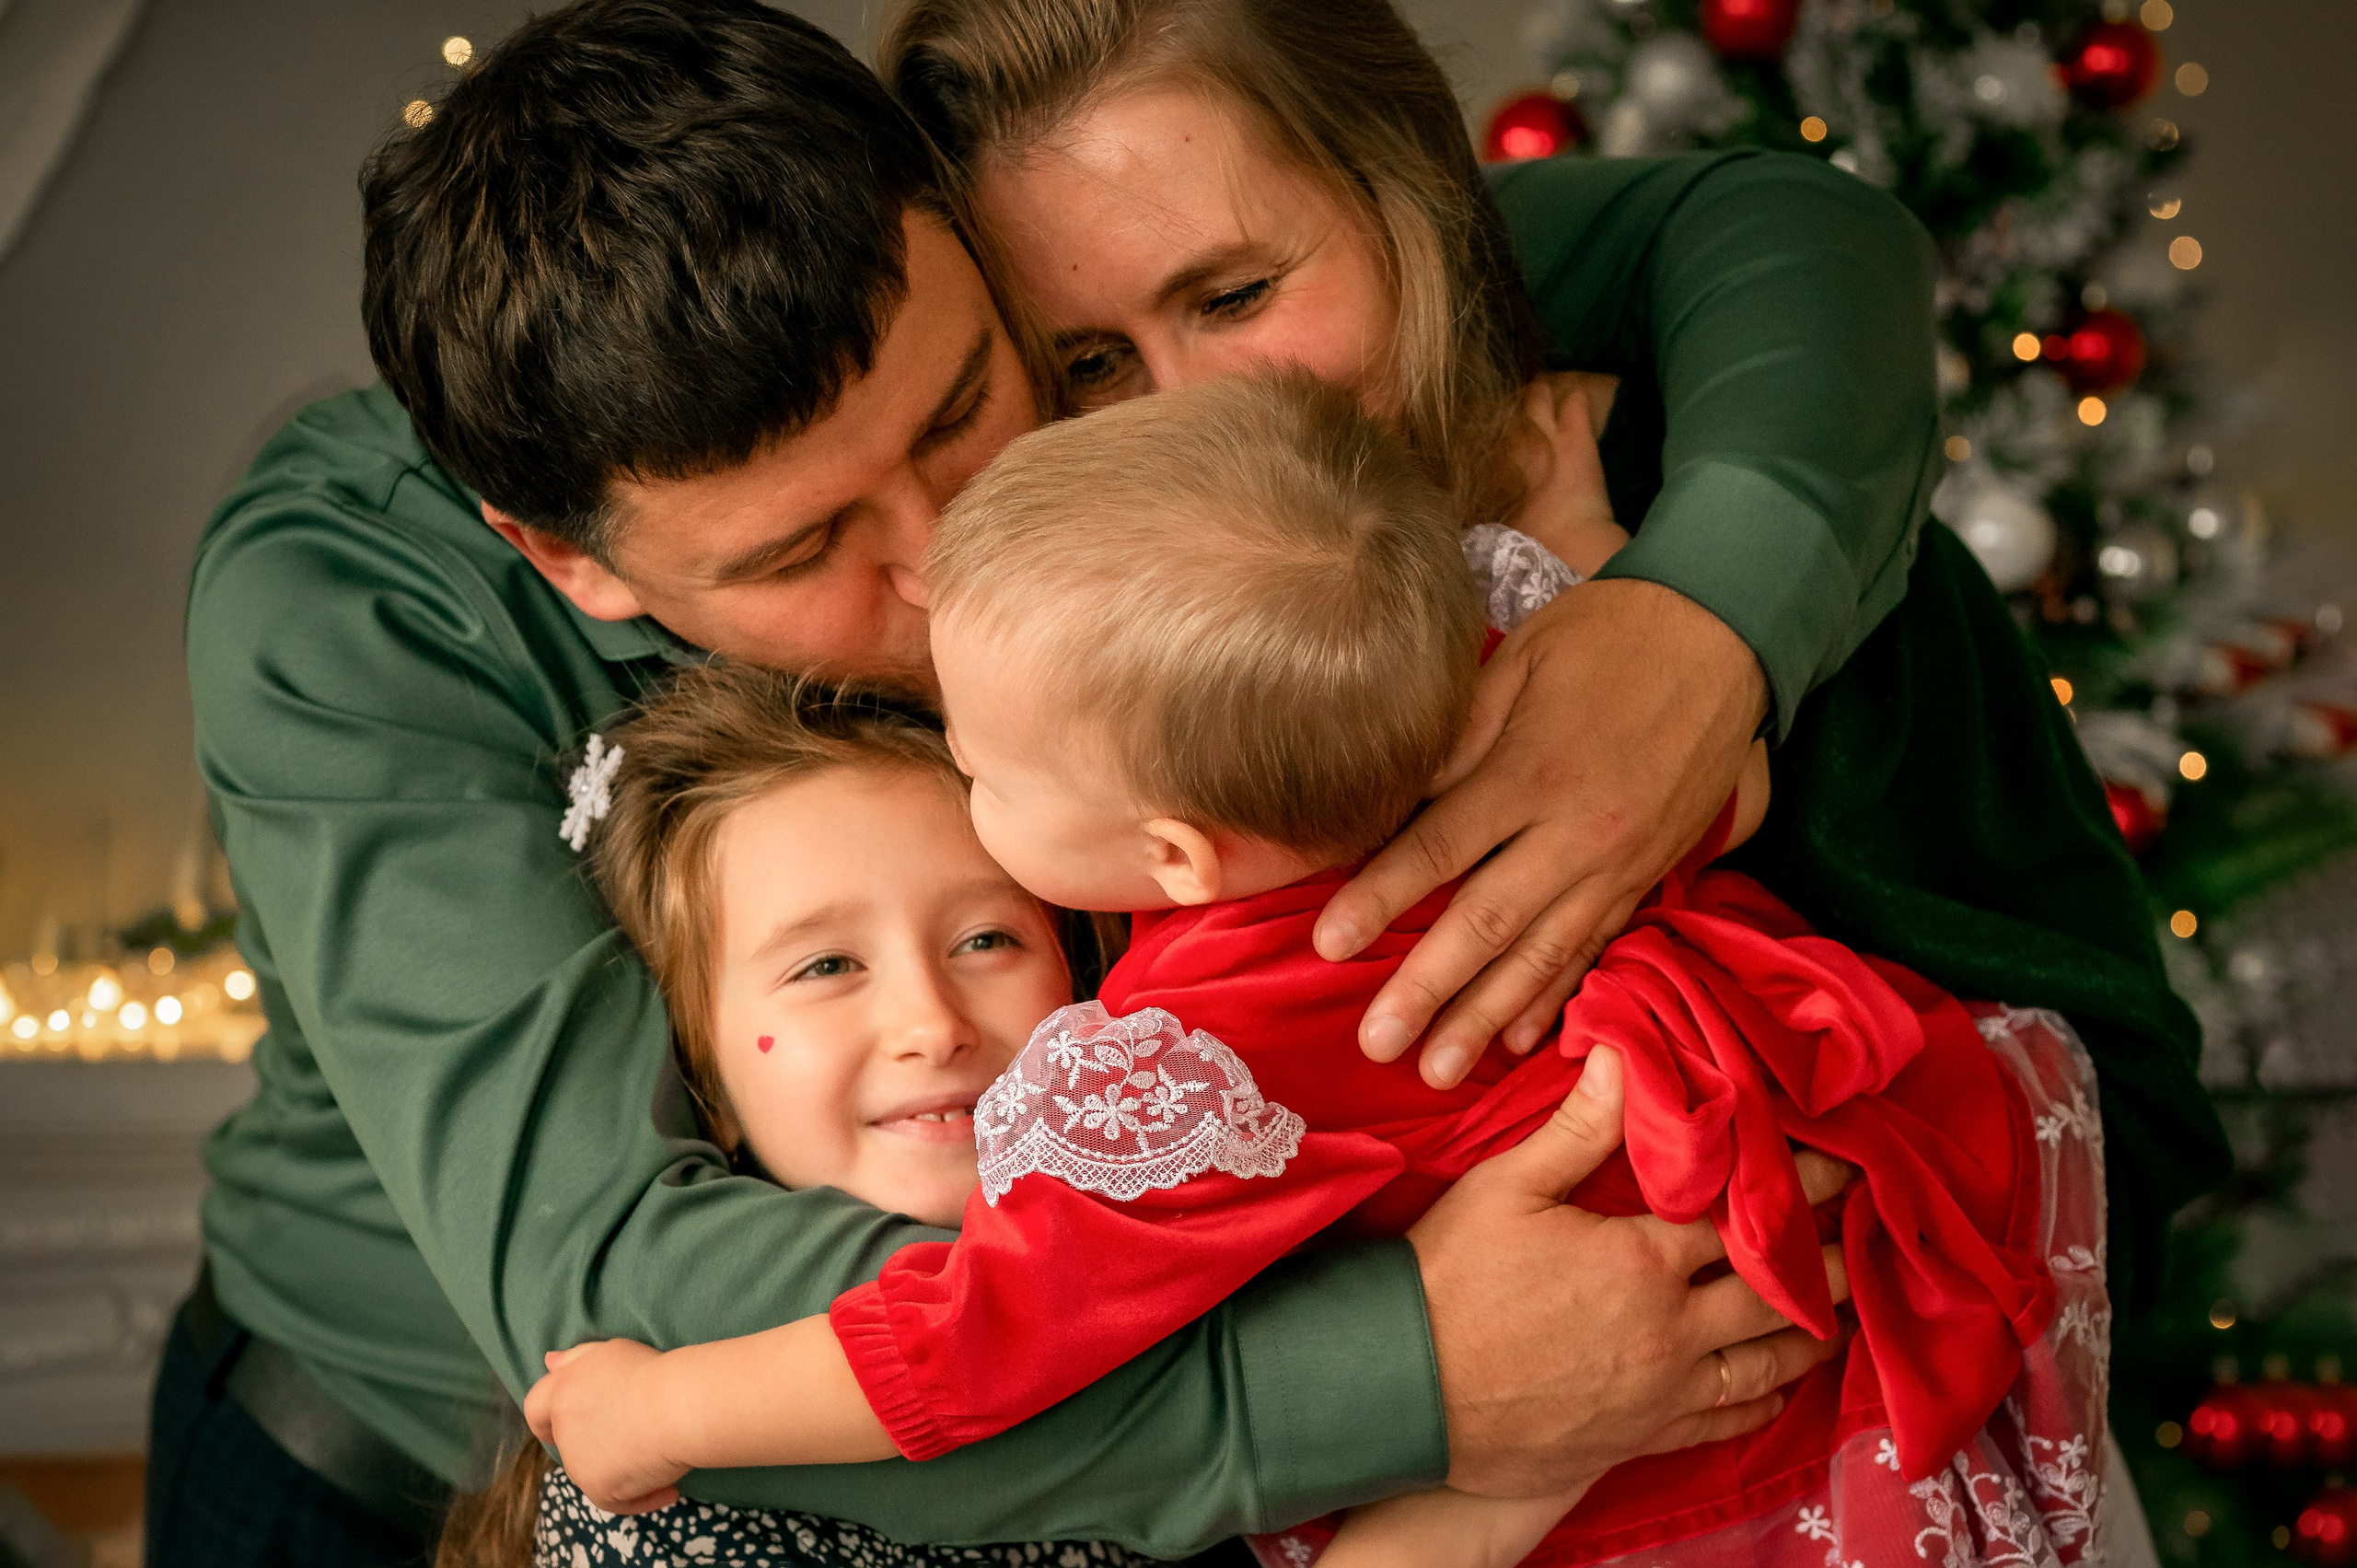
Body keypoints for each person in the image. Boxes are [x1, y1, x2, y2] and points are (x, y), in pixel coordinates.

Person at [157, 3, 1883, 1562]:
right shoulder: (348, 607)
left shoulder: (1030, 279)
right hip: (430, 1489)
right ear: (567, 557)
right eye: (804, 551)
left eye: (961, 411)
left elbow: (1777, 232)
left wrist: (1700, 621)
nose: (942, 562)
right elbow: (629, 1300)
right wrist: (1413, 1365)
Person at [524, 373, 2111, 1568]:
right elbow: (1702, 767)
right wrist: (1575, 526)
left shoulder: (1191, 1058)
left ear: (1174, 860)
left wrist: (664, 1411)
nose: (971, 782)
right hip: (1832, 1202)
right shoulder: (1470, 719)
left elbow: (972, 1339)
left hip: (1676, 1472)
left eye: (984, 773)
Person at [883, 0, 2222, 1321]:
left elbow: (2126, 1118)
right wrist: (1427, 1374)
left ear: (1415, 206)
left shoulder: (1675, 492)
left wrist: (1701, 623)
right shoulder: (1028, 658)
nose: (1200, 411)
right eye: (1091, 363)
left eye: (1236, 295)